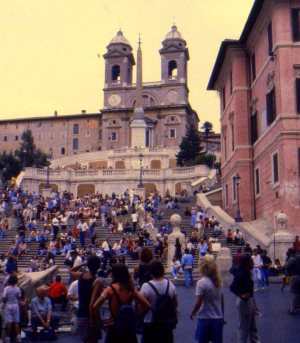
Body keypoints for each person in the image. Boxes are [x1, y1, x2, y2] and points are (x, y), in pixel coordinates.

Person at [93, 263, 151, 343]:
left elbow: (95, 306)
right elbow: (147, 305)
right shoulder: (131, 288)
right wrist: (136, 316)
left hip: (113, 324)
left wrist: (100, 323)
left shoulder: (110, 289)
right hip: (128, 326)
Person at [140, 260, 178, 343]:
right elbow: (175, 303)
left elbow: (142, 306)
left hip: (150, 322)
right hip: (166, 322)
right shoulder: (170, 284)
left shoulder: (146, 286)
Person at [70, 255, 104, 343]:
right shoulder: (97, 281)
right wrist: (94, 322)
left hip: (80, 314)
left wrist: (83, 264)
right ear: (98, 266)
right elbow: (92, 305)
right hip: (90, 317)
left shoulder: (81, 275)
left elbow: (71, 270)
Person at [190, 259, 224, 343]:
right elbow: (222, 302)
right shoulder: (218, 282)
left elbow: (198, 302)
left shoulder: (201, 282)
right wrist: (222, 315)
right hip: (218, 317)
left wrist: (193, 312)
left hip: (205, 317)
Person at [230, 254, 260, 343]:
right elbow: (232, 287)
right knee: (243, 328)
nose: (253, 262)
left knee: (252, 326)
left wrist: (254, 304)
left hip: (249, 301)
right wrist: (241, 295)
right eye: (251, 261)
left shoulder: (247, 272)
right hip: (244, 303)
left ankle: (255, 341)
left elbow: (250, 292)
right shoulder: (241, 274)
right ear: (247, 263)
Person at [2, 274, 22, 343]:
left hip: (8, 306)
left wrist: (5, 302)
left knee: (9, 323)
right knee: (16, 322)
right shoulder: (18, 288)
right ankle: (18, 337)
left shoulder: (6, 288)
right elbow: (19, 297)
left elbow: (4, 297)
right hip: (16, 306)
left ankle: (8, 338)